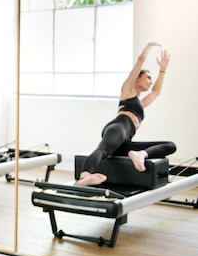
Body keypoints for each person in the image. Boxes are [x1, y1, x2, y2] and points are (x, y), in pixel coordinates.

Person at [75, 42, 176, 187]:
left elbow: (156, 92)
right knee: (103, 150)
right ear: (137, 78)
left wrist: (163, 70)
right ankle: (84, 177)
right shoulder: (127, 91)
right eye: (148, 77)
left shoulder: (140, 104)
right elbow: (140, 61)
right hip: (118, 128)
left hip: (125, 142)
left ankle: (140, 154)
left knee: (170, 145)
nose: (151, 81)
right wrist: (148, 47)